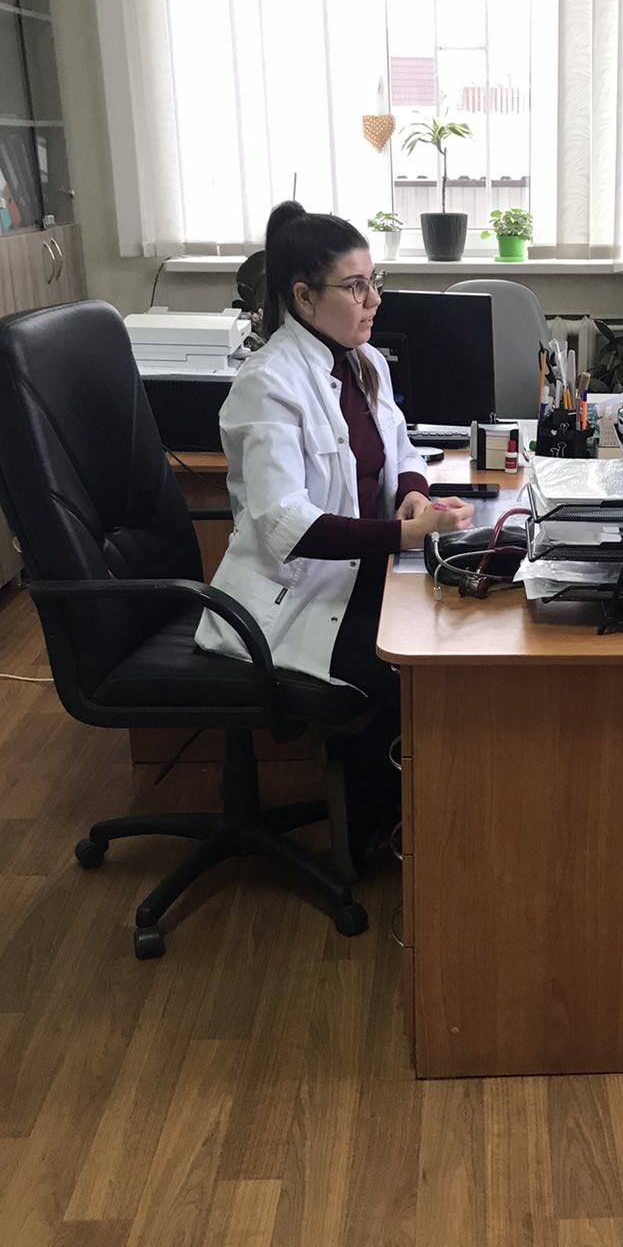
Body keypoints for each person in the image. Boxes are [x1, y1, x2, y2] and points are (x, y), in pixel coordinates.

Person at [196, 203, 473, 857]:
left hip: (362, 577)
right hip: (292, 605)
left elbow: (401, 448)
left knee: (464, 625)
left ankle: (380, 796)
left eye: (374, 282)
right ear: (303, 296)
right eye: (355, 287)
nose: (374, 300)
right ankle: (371, 801)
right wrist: (403, 538)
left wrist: (412, 495)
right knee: (431, 675)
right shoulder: (268, 384)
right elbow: (286, 527)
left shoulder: (363, 360)